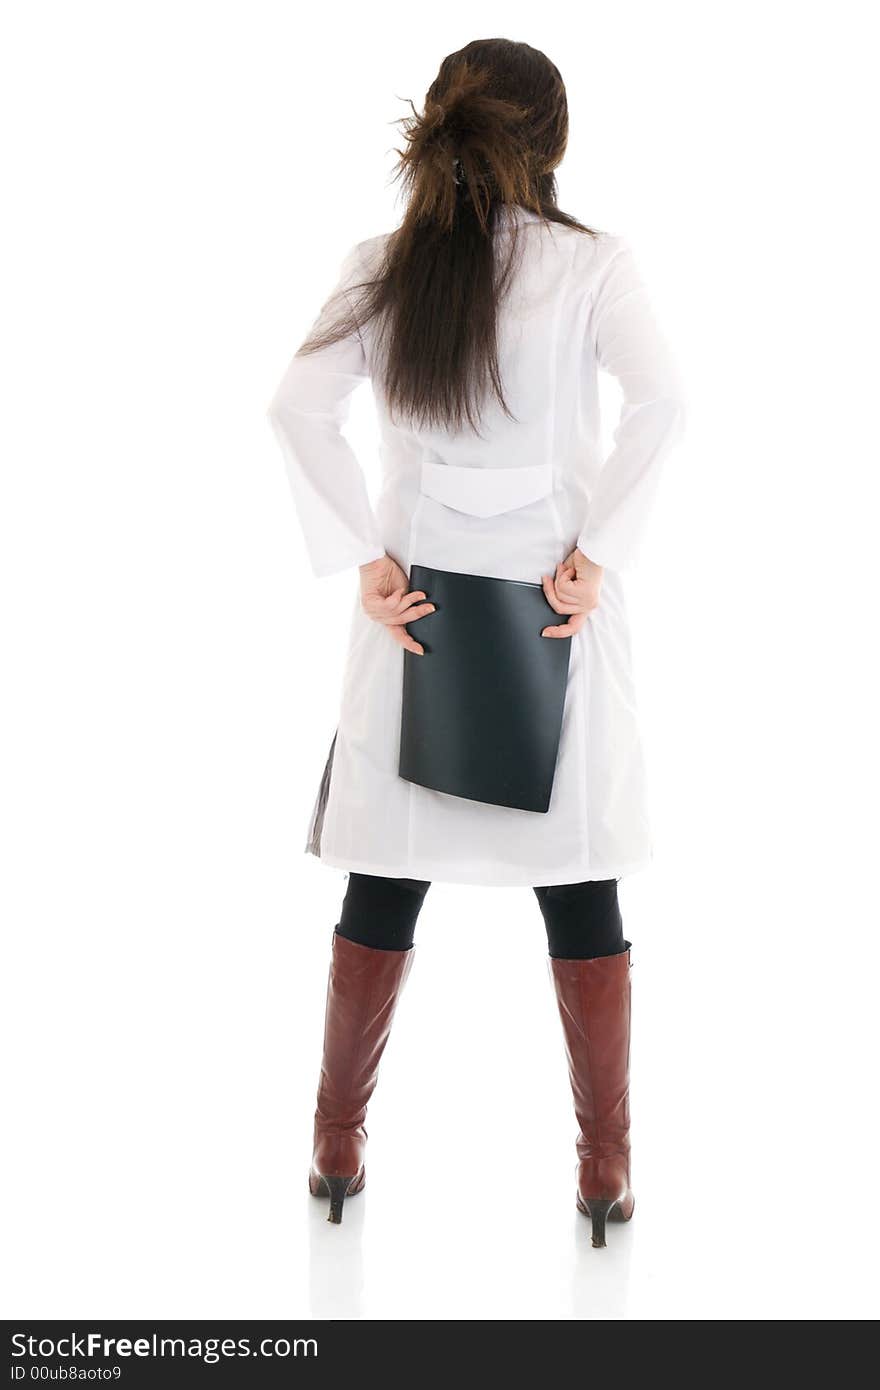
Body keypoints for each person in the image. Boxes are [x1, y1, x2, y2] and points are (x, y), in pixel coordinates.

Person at [266, 39, 685, 1248]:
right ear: (549, 143)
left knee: (383, 879)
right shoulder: (595, 269)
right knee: (580, 880)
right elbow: (667, 402)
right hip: (550, 612)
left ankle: (334, 1141)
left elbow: (293, 406)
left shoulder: (382, 267)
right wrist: (595, 550)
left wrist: (367, 558)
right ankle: (602, 1169)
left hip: (420, 625)